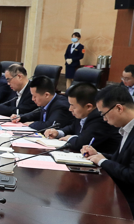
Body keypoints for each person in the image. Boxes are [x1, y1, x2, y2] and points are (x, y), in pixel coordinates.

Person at [82, 84, 134, 214]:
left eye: (104, 114)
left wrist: (102, 161)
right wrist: (97, 155)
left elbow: (131, 175)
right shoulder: (126, 128)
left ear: (119, 108)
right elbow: (122, 161)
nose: (104, 119)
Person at [44, 82, 121, 154]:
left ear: (88, 107)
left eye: (73, 106)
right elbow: (72, 127)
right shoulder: (82, 113)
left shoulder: (100, 118)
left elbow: (81, 144)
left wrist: (70, 138)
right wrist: (58, 133)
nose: (70, 109)